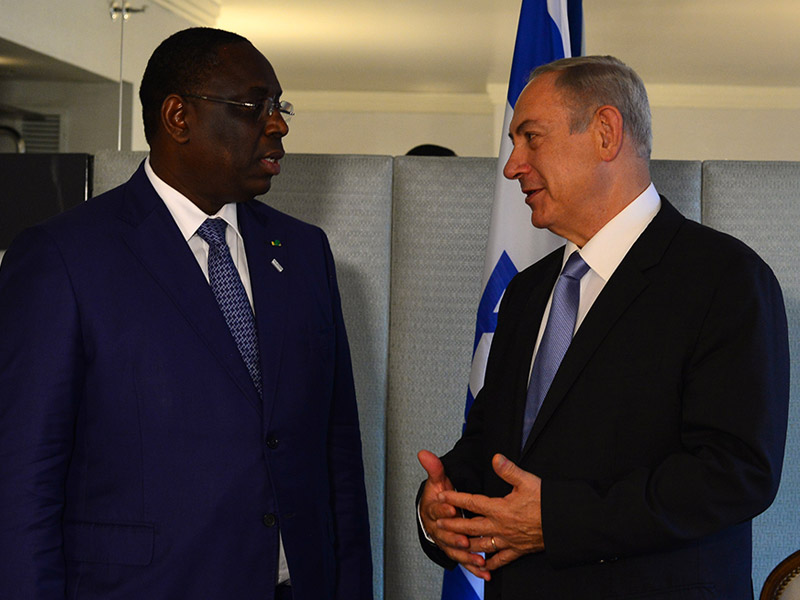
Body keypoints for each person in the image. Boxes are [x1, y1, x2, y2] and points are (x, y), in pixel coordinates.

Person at [0, 28, 372, 600]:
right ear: (179, 117)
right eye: (256, 106)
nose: (279, 125)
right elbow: (24, 481)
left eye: (281, 106)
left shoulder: (303, 253)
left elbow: (336, 455)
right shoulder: (62, 259)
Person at [417, 56, 789, 599]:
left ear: (605, 133)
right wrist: (444, 504)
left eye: (531, 138)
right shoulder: (524, 294)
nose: (511, 165)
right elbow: (494, 445)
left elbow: (735, 472)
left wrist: (558, 521)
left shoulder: (725, 279)